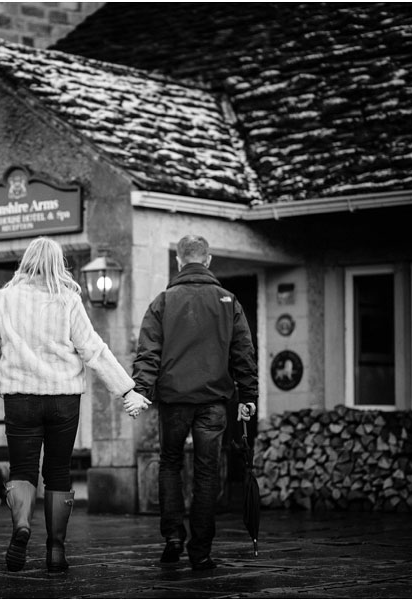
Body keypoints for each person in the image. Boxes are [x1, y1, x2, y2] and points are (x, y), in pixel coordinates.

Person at [0, 237, 151, 573]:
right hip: (63, 400)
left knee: (23, 469)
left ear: (26, 261)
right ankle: (55, 550)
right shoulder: (68, 300)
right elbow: (93, 350)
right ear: (58, 263)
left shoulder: (3, 299)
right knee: (57, 470)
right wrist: (126, 390)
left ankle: (22, 526)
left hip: (20, 399)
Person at [132, 234, 258, 571]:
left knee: (170, 463)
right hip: (214, 401)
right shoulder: (228, 301)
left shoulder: (163, 301)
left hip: (174, 400)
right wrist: (248, 395)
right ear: (208, 260)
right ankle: (200, 551)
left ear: (178, 260)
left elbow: (148, 352)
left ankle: (173, 536)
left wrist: (142, 391)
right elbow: (243, 353)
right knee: (207, 472)